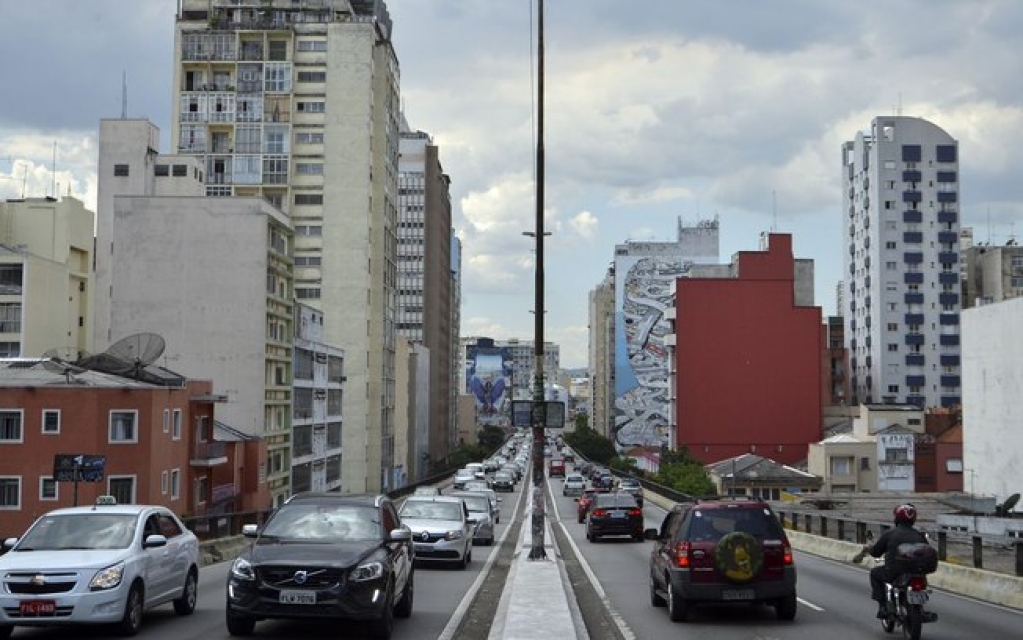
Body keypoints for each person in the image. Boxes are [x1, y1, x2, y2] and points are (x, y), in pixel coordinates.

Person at [861, 503, 931, 619]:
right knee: (921, 583)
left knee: (874, 574)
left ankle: (883, 607)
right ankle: (921, 609)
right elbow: (927, 551)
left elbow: (876, 552)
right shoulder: (919, 535)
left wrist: (868, 548)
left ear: (896, 518)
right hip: (917, 571)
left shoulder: (890, 533)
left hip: (894, 571)